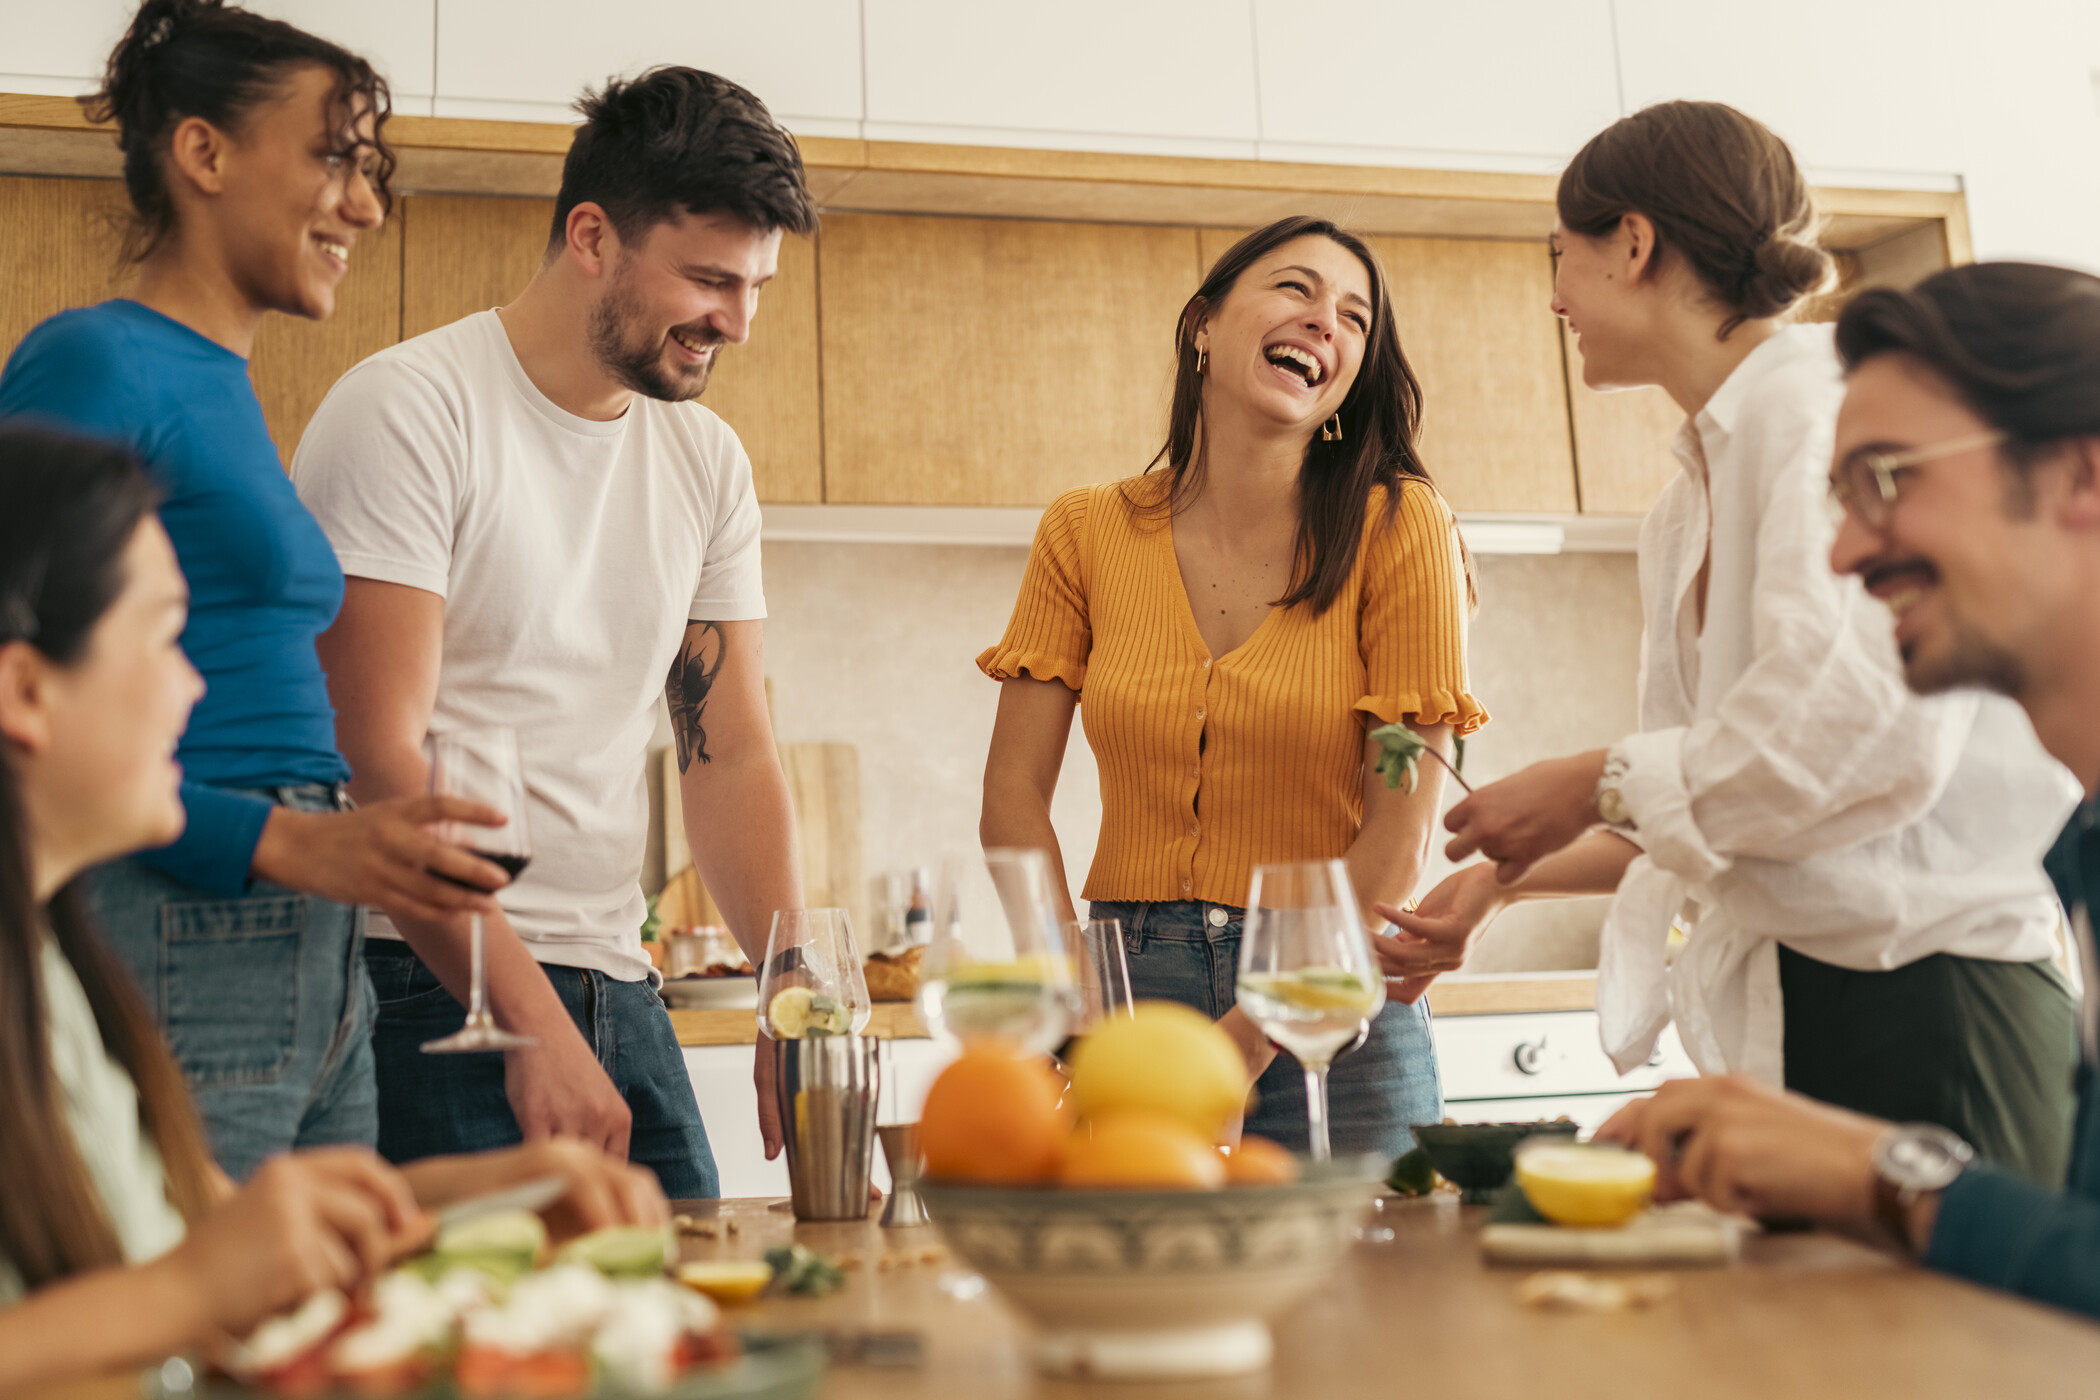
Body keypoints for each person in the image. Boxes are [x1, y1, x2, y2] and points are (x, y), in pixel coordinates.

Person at [1375, 102, 2080, 1181]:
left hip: (1932, 989)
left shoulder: (1810, 416)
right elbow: (1734, 796)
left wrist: (1590, 776)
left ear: (1635, 242)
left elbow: (1847, 735)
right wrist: (1501, 880)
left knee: (1961, 1343)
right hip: (1813, 991)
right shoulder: (1684, 499)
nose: (1556, 297)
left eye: (1561, 258)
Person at [0, 427, 665, 1394]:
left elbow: (205, 1231)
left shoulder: (54, 977)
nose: (194, 688)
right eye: (163, 637)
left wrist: (489, 1200)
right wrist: (192, 1292)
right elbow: (192, 1275)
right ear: (24, 688)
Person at [0, 0, 512, 1180]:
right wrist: (281, 839)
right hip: (190, 902)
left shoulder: (219, 385)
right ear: (205, 152)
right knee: (205, 1314)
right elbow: (21, 702)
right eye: (333, 158)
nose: (365, 206)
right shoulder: (98, 361)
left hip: (303, 924)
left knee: (319, 1302)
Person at [294, 67, 817, 1196]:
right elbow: (375, 758)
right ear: (592, 236)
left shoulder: (705, 459)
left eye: (758, 283)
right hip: (424, 983)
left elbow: (729, 748)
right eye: (710, 278)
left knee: (686, 1347)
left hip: (616, 983)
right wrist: (528, 1027)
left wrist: (793, 974)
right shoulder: (408, 411)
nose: (737, 319)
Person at [1598, 260, 2100, 1316]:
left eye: (1889, 477)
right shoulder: (2081, 853)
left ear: (2080, 473)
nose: (1842, 549)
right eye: (1839, 494)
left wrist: (1878, 1173)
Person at [977, 216, 1485, 1157]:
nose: (1326, 320)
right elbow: (1012, 795)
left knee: (1380, 1294)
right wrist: (1073, 998)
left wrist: (1247, 1043)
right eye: (1296, 289)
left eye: (1355, 317)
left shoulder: (1404, 527)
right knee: (1151, 1288)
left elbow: (1399, 833)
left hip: (1329, 1003)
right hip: (1131, 992)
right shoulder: (1084, 531)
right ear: (1204, 325)